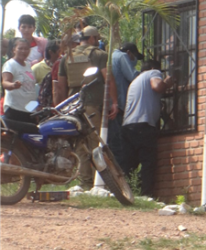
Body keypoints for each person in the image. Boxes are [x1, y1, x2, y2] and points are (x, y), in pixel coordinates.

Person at [55, 26, 118, 188]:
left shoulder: (66, 57)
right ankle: (102, 184)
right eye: (97, 39)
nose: (98, 42)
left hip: (72, 109)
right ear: (91, 39)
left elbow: (61, 87)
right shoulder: (99, 54)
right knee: (96, 145)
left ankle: (85, 183)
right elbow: (108, 79)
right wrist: (115, 102)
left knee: (80, 146)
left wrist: (61, 110)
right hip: (91, 106)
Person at [121, 60, 174, 197]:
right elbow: (157, 86)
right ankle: (146, 195)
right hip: (143, 126)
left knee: (129, 164)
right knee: (148, 162)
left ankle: (126, 194)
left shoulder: (135, 82)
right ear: (152, 68)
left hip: (128, 126)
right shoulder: (153, 72)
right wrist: (168, 82)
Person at [109, 42, 143, 167]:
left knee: (112, 142)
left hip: (110, 106)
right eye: (135, 57)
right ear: (129, 52)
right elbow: (133, 76)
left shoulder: (111, 56)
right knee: (119, 145)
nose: (134, 61)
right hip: (118, 107)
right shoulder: (122, 56)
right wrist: (148, 74)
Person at [1, 39, 37, 123]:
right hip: (15, 109)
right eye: (20, 48)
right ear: (14, 50)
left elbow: (31, 89)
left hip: (29, 110)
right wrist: (13, 85)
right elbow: (5, 83)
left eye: (26, 49)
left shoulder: (28, 65)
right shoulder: (10, 64)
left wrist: (35, 108)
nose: (23, 51)